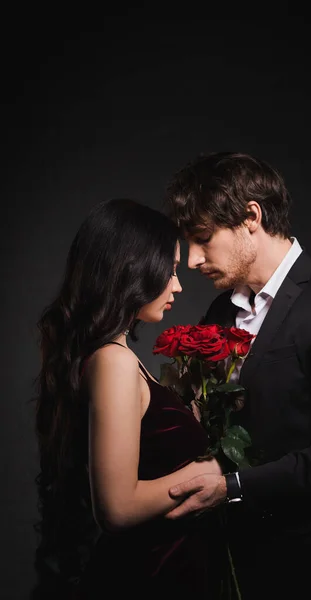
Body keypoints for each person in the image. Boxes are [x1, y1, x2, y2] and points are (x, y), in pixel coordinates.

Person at [164, 152, 311, 599]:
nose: (191, 260)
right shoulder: (220, 310)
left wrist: (232, 487)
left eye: (203, 238)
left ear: (251, 216)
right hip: (226, 563)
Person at [32, 198, 225, 600]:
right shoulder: (113, 363)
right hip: (150, 576)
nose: (178, 284)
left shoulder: (112, 358)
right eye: (169, 270)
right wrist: (211, 472)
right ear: (133, 269)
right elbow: (117, 508)